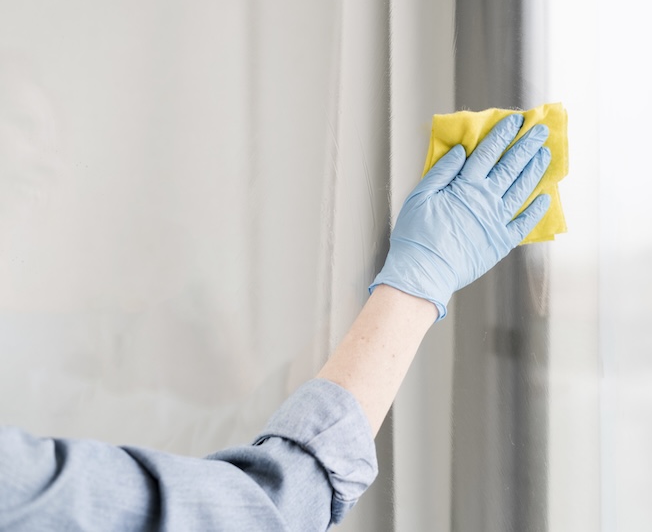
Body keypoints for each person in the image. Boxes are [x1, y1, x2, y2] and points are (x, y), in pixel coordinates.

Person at [0, 114, 551, 531]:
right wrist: (413, 285)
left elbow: (203, 439)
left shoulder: (28, 382)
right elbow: (257, 509)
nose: (47, 189)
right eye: (24, 174)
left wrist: (363, 302)